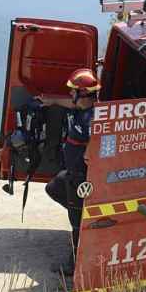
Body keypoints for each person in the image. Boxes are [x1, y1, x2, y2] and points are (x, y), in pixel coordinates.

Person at [41, 68, 100, 273]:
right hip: (71, 174)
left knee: (75, 221)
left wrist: (89, 152)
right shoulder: (82, 108)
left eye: (73, 91)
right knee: (53, 188)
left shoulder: (92, 116)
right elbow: (69, 103)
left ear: (82, 94)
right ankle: (87, 220)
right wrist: (51, 101)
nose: (70, 94)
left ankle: (74, 264)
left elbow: (97, 134)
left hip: (80, 178)